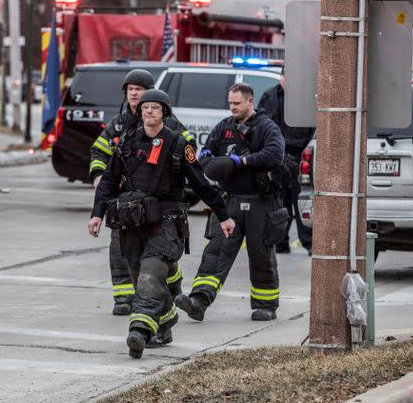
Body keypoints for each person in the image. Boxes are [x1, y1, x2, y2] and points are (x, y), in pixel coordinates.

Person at [88, 89, 235, 359]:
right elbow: (109, 179)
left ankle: (139, 330)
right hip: (131, 223)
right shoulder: (128, 142)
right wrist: (97, 213)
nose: (148, 111)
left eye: (155, 107)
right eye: (145, 107)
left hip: (165, 224)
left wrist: (223, 215)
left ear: (164, 113)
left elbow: (201, 183)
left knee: (150, 275)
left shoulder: (179, 145)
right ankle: (166, 321)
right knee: (139, 277)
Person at [175, 82, 285, 322]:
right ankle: (198, 301)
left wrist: (241, 162)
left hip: (261, 203)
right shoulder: (224, 126)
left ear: (250, 102)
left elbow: (275, 154)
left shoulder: (267, 127)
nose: (232, 108)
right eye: (230, 103)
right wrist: (205, 158)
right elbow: (208, 150)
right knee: (215, 251)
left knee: (261, 255)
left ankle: (265, 305)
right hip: (230, 202)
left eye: (237, 103)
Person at [89, 69, 195, 316]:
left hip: (158, 202)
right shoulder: (118, 124)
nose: (135, 93)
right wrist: (98, 178)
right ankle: (124, 298)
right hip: (124, 202)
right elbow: (99, 151)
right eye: (131, 89)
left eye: (140, 89)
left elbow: (189, 145)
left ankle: (173, 289)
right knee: (120, 248)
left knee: (160, 252)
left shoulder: (167, 122)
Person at [257, 69, 315, 254]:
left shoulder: (306, 98)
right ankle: (280, 243)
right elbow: (262, 122)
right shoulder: (270, 96)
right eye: (285, 76)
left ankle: (309, 243)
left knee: (300, 201)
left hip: (299, 154)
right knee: (280, 202)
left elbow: (313, 125)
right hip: (278, 156)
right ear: (281, 77)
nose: (287, 81)